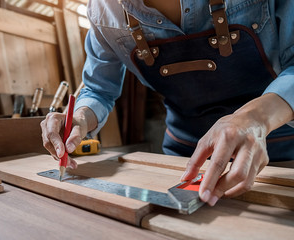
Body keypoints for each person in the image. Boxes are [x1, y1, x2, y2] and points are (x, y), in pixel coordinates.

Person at [41, 0, 294, 207]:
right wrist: (82, 116)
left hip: (279, 159)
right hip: (183, 163)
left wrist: (255, 119)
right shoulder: (102, 11)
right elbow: (98, 89)